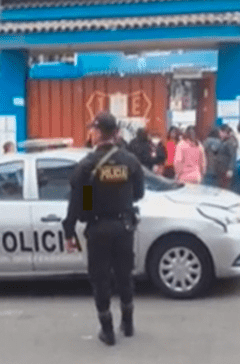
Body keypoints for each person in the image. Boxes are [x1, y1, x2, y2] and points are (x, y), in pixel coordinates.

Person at [62, 112, 144, 346]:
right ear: (116, 133)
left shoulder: (87, 165)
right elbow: (138, 194)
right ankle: (127, 324)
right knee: (124, 275)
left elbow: (78, 202)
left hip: (98, 228)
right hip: (124, 226)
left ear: (98, 133)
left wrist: (69, 231)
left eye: (93, 130)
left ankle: (107, 330)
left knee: (100, 280)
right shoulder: (130, 161)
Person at [218, 124, 238, 190]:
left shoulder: (230, 142)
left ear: (225, 132)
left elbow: (233, 156)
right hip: (222, 169)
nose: (219, 134)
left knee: (225, 189)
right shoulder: (224, 141)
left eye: (220, 132)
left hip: (226, 170)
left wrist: (230, 169)